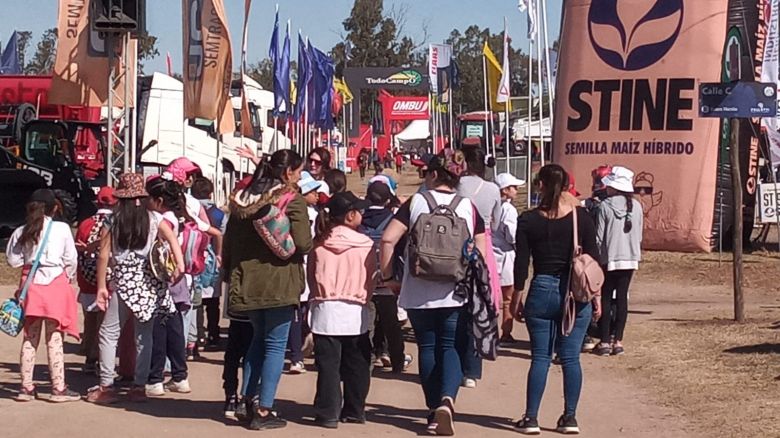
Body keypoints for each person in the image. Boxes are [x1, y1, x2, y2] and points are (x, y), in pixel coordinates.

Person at [379, 155, 487, 436]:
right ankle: (447, 401)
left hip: (417, 287)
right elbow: (481, 253)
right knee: (449, 345)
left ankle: (431, 411)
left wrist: (389, 277)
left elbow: (388, 239)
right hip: (456, 289)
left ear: (436, 175)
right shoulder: (468, 207)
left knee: (427, 346)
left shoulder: (414, 203)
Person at [224, 149, 312, 430]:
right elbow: (304, 243)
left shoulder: (241, 200)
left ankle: (247, 400)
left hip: (247, 281)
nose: (299, 178)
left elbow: (229, 242)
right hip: (279, 282)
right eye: (298, 172)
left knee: (257, 342)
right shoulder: (291, 200)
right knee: (275, 346)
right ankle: (264, 409)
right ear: (288, 173)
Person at [512, 164, 602, 435]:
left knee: (540, 356)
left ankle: (531, 418)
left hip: (541, 288)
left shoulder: (528, 220)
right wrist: (596, 297)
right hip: (575, 294)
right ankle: (570, 417)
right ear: (566, 187)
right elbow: (593, 258)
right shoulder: (582, 218)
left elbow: (521, 263)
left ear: (539, 185)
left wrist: (518, 296)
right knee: (571, 357)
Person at [86, 173, 185, 404]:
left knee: (109, 333)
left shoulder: (113, 220)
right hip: (150, 281)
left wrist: (101, 286)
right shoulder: (153, 218)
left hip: (123, 281)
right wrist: (179, 264)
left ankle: (106, 386)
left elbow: (102, 254)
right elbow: (171, 237)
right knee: (144, 335)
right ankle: (140, 386)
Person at [308, 191, 376, 428]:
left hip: (325, 309)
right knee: (357, 363)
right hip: (355, 310)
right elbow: (371, 278)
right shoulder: (366, 245)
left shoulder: (319, 243)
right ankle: (355, 409)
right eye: (359, 210)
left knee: (328, 365)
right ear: (350, 216)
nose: (362, 213)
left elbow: (311, 276)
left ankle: (328, 412)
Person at [7, 189, 81, 402]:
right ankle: (58, 388)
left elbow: (13, 260)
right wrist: (69, 276)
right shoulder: (62, 229)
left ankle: (25, 388)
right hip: (55, 284)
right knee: (55, 338)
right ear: (55, 207)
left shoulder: (23, 230)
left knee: (30, 338)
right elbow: (71, 258)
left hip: (31, 286)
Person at [144, 175, 196, 396]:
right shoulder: (177, 216)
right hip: (175, 278)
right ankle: (179, 375)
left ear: (158, 200)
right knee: (173, 328)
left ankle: (155, 378)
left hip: (165, 278)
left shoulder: (162, 220)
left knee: (160, 329)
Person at [455, 145, 501, 389]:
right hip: (484, 247)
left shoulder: (457, 186)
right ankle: (472, 369)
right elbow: (496, 220)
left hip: (456, 244)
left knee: (457, 305)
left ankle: (456, 364)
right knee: (480, 303)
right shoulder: (493, 189)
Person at [360, 181, 411, 372]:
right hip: (388, 279)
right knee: (392, 325)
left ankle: (368, 360)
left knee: (367, 324)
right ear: (388, 199)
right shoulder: (393, 220)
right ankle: (397, 360)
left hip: (365, 280)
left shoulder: (360, 220)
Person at [594, 166, 643, 357]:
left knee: (606, 297)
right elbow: (638, 235)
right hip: (630, 258)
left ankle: (605, 340)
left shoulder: (604, 206)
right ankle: (618, 341)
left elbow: (599, 237)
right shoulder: (637, 206)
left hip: (609, 258)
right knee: (622, 298)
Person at [75, 186, 117, 374]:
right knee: (105, 322)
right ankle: (101, 358)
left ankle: (89, 358)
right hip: (107, 280)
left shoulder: (85, 224)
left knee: (89, 321)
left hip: (87, 279)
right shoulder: (116, 223)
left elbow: (78, 249)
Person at [286, 171, 322, 375]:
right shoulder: (311, 214)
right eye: (312, 191)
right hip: (305, 266)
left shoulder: (290, 210)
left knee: (299, 314)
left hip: (301, 266)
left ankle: (297, 356)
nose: (316, 195)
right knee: (302, 312)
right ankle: (298, 356)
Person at [192, 177, 228, 349]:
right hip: (213, 260)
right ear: (211, 192)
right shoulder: (219, 214)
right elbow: (223, 235)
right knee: (213, 301)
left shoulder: (189, 209)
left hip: (193, 259)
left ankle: (197, 334)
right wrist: (220, 255)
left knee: (195, 300)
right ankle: (213, 333)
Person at [493, 173, 524, 344]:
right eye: (513, 187)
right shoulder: (509, 210)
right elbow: (512, 236)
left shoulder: (492, 205)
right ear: (505, 190)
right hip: (505, 256)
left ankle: (489, 331)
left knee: (491, 298)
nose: (517, 190)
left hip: (492, 255)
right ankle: (506, 332)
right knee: (507, 299)